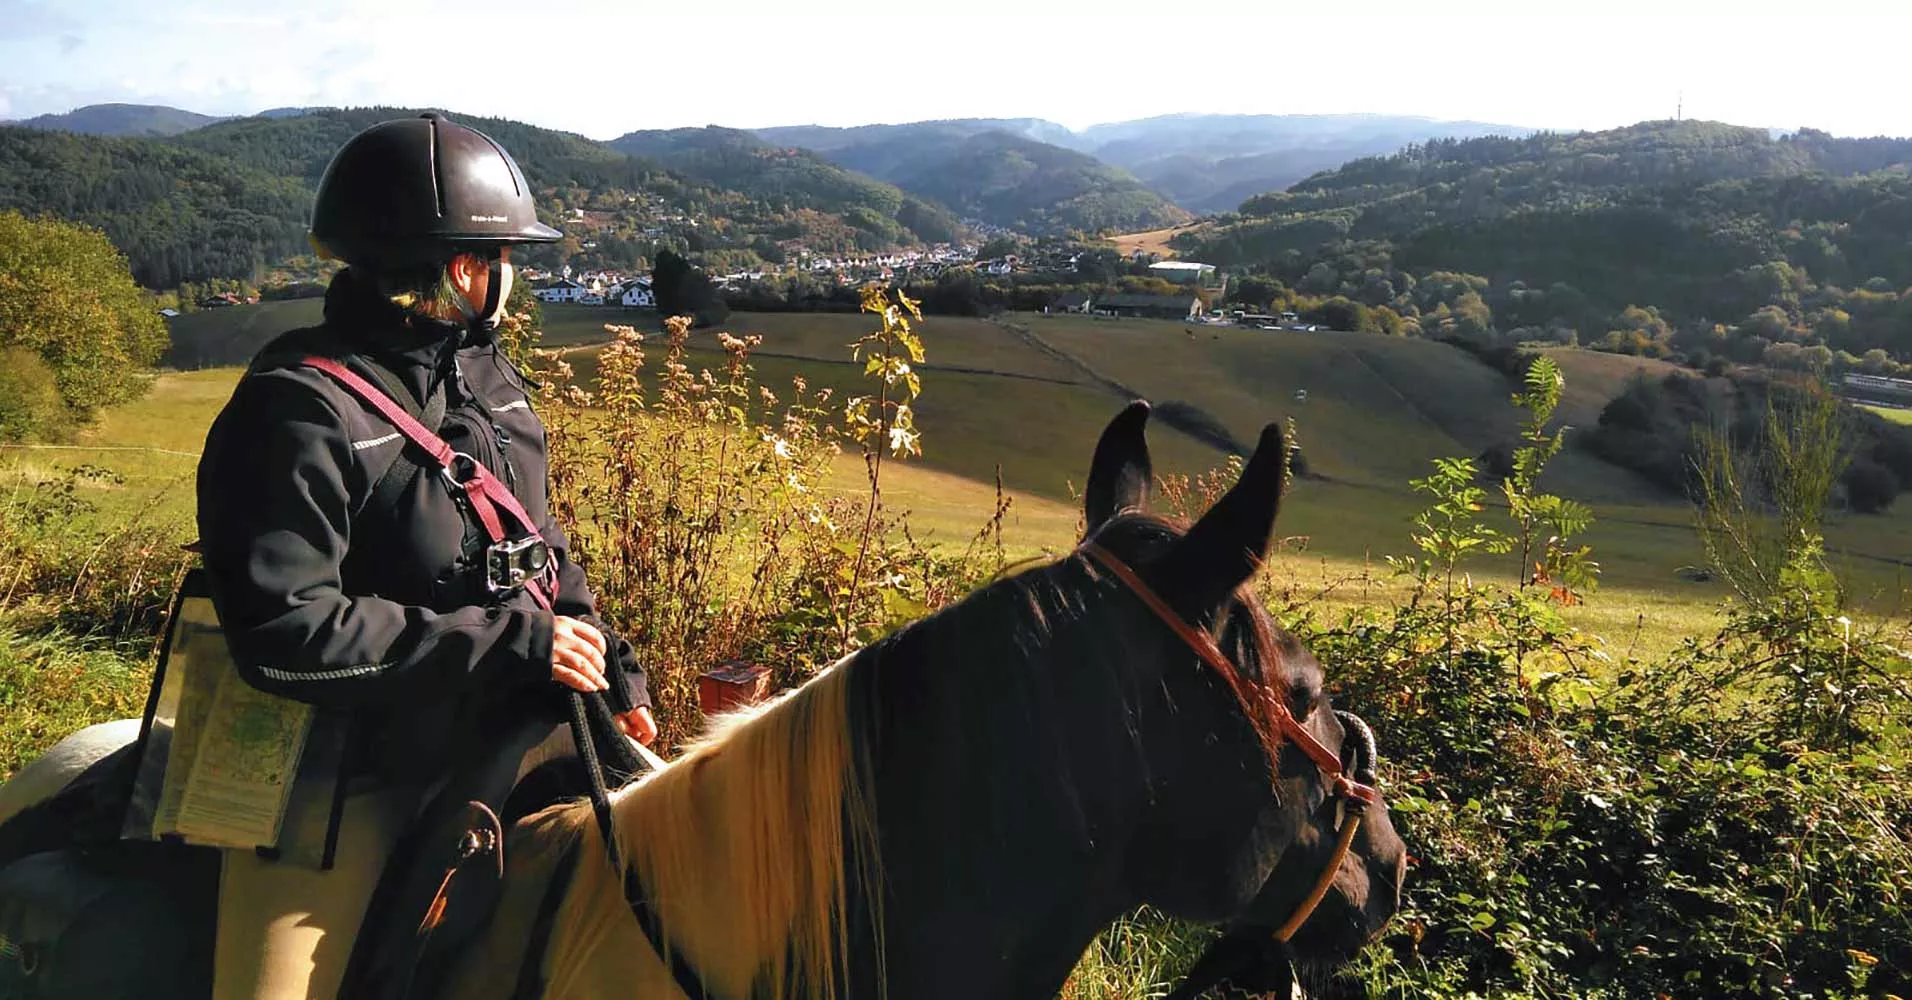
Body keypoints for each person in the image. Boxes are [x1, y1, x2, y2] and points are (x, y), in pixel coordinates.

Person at [193, 112, 655, 999]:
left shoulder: (487, 382)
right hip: (352, 773)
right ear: (461, 270)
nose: (514, 276)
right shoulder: (298, 411)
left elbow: (540, 550)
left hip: (517, 735)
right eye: (507, 257)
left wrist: (614, 669)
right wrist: (509, 646)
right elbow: (284, 628)